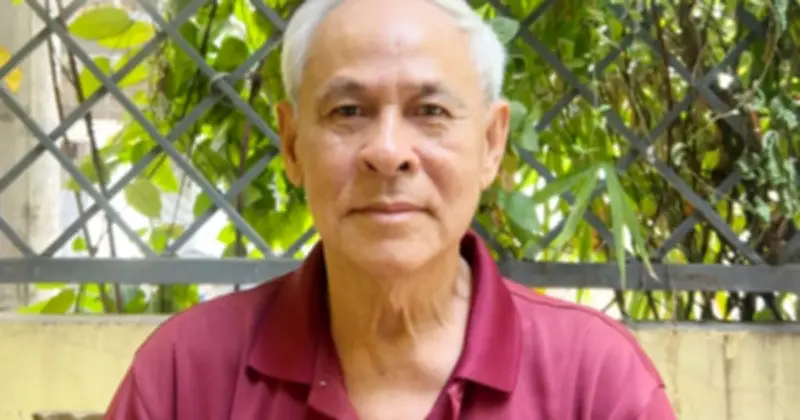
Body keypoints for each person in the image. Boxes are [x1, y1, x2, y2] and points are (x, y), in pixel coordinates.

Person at [105, 0, 677, 418]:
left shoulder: (593, 382)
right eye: (348, 111)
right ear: (292, 144)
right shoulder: (185, 378)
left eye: (430, 111)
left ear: (491, 144)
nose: (387, 151)